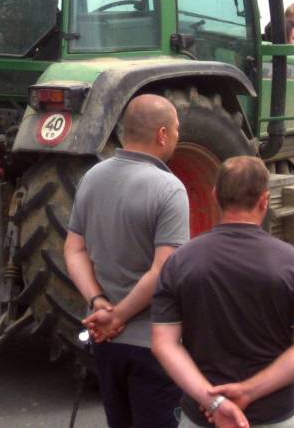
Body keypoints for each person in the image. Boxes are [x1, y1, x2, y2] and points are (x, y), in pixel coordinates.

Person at [152, 156, 294, 428]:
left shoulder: (181, 262)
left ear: (214, 196)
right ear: (265, 200)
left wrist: (214, 402)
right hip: (275, 414)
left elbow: (164, 344)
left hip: (202, 416)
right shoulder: (293, 262)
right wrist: (248, 391)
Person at [65, 94, 190, 428]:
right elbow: (165, 268)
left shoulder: (92, 178)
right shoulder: (169, 189)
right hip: (154, 344)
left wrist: (99, 303)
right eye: (177, 129)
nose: (178, 136)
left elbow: (74, 250)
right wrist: (119, 315)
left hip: (105, 341)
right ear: (162, 134)